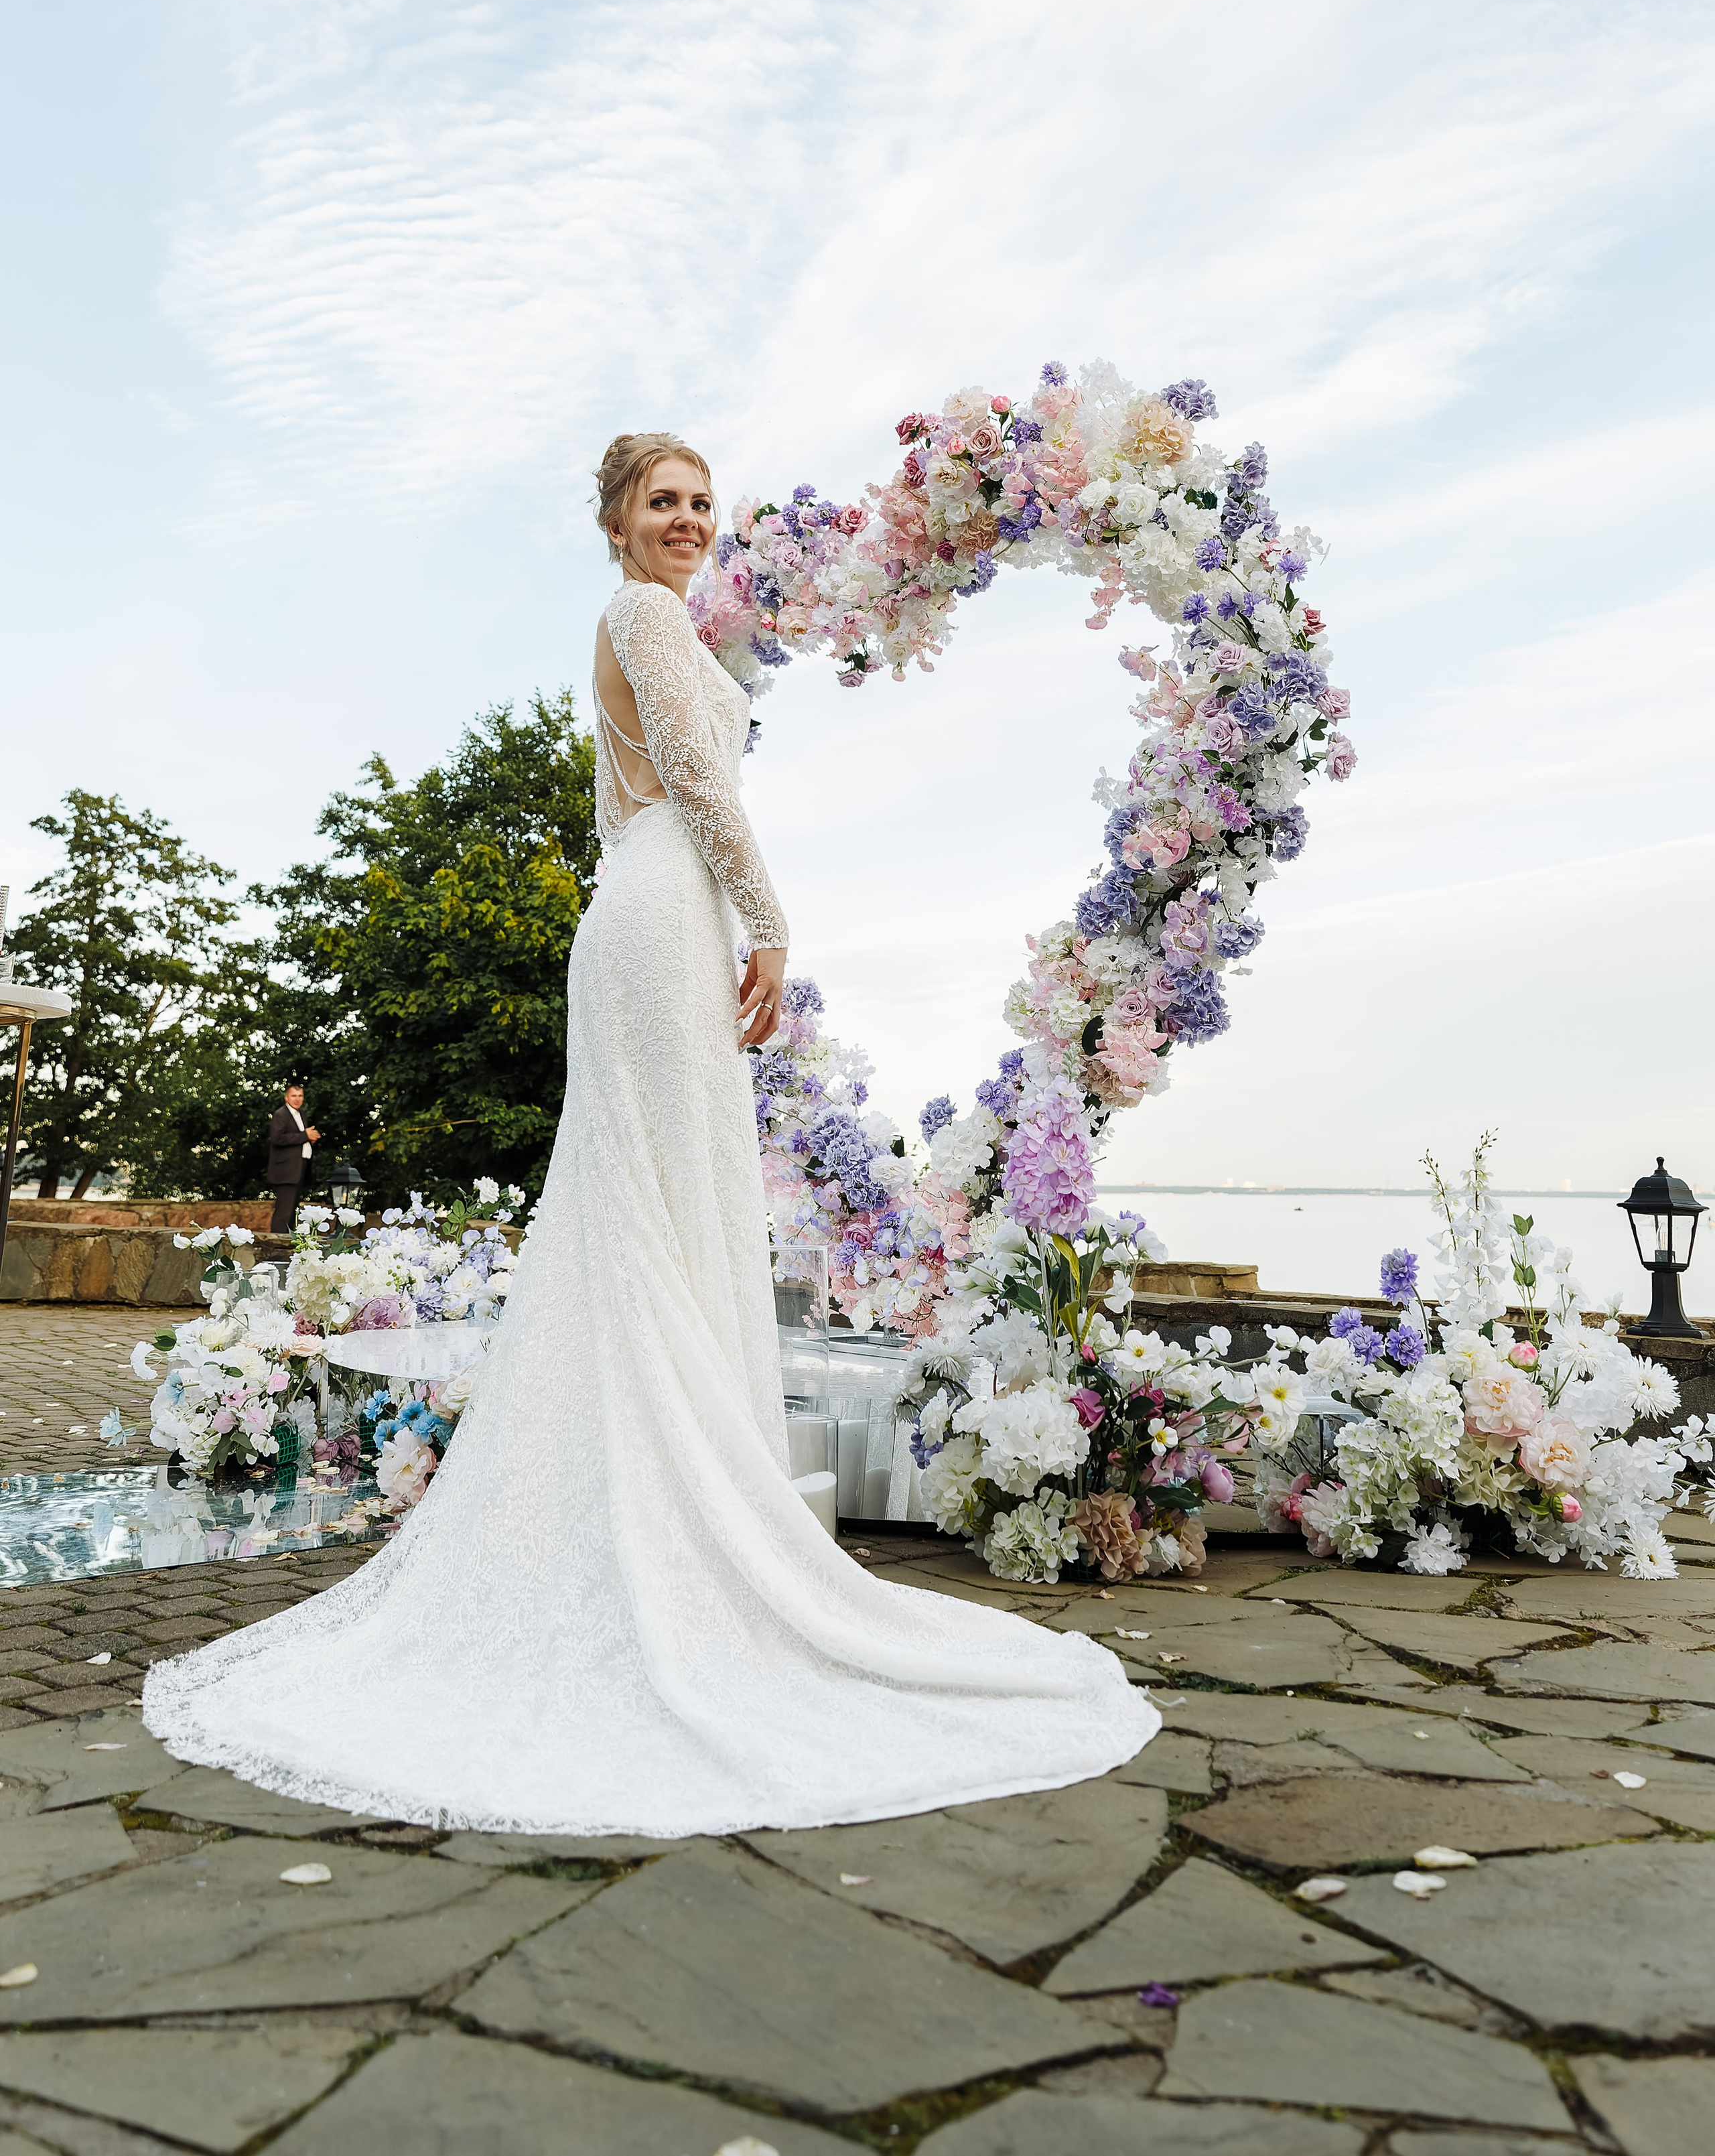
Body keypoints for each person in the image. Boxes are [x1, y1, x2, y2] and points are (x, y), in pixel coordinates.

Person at [143, 433, 1153, 1832]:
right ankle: (645, 1537)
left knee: (657, 1202)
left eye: (698, 503)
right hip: (663, 914)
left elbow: (640, 795)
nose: (686, 521)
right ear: (618, 527)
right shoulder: (642, 612)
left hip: (651, 913)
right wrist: (776, 925)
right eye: (660, 503)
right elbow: (693, 777)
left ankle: (650, 1519)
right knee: (643, 1205)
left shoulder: (644, 620)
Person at [265, 1085, 319, 1234]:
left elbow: (296, 1138)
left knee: (292, 1211)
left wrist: (309, 1140)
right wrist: (305, 1136)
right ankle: (277, 1244)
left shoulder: (301, 1114)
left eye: (300, 1096)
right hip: (286, 1170)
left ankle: (289, 1243)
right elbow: (277, 1139)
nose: (297, 1099)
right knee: (284, 1211)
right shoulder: (281, 1114)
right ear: (286, 1097)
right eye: (294, 1096)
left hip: (299, 1166)